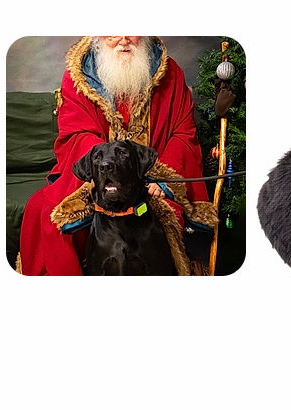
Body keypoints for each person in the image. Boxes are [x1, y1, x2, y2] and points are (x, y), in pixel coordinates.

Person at [18, 36, 209, 275]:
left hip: (151, 179)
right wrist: (107, 168)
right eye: (112, 33)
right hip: (98, 175)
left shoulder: (171, 73)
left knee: (165, 218)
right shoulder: (77, 76)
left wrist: (163, 177)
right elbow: (76, 133)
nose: (124, 39)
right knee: (41, 208)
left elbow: (183, 132)